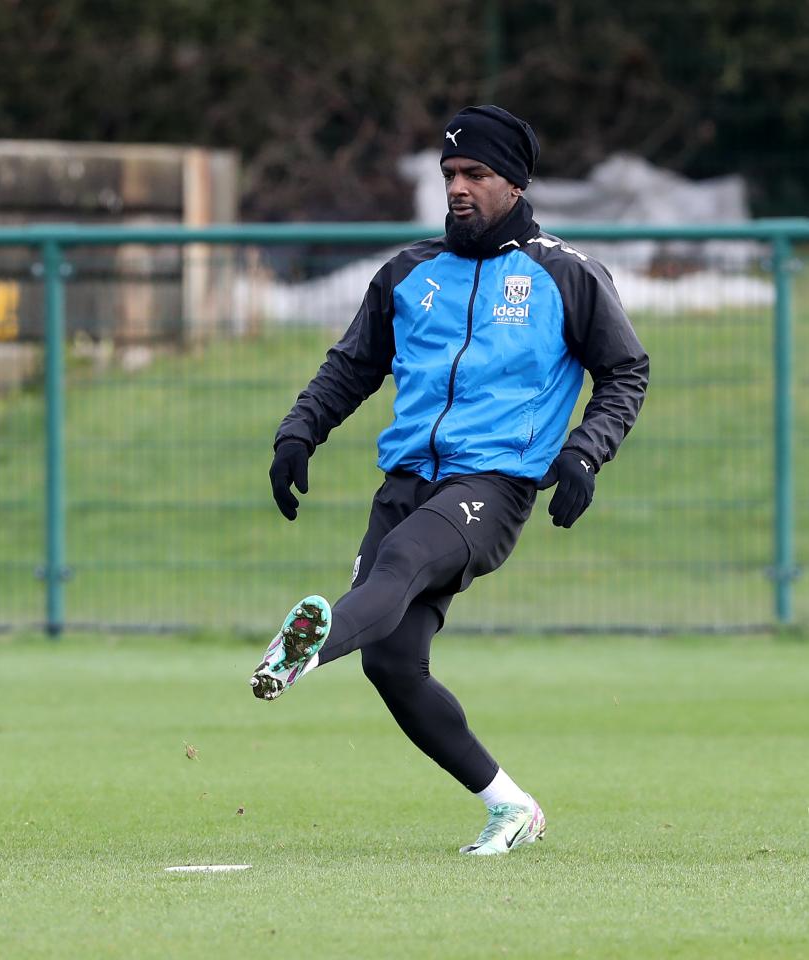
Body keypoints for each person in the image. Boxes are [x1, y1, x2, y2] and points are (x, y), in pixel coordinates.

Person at [249, 105, 649, 856]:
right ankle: (511, 806)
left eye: (476, 173)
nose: (458, 187)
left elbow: (626, 371)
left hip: (493, 484)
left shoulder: (565, 274)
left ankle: (304, 647)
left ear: (515, 182)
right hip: (406, 481)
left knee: (402, 560)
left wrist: (584, 453)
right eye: (449, 173)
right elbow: (351, 366)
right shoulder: (408, 273)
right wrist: (299, 431)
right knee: (392, 663)